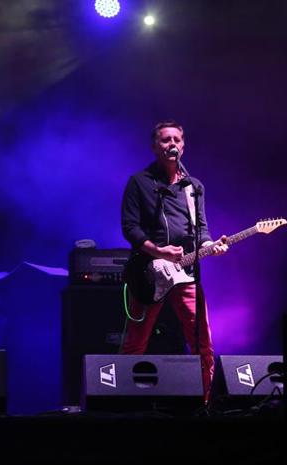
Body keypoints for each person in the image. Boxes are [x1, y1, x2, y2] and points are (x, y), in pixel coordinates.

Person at [120, 120, 227, 401]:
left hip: (185, 273)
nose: (172, 144)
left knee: (202, 341)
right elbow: (130, 228)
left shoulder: (194, 186)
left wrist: (209, 245)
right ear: (154, 146)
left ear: (183, 145)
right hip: (148, 272)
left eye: (176, 140)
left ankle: (205, 402)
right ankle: (123, 402)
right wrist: (159, 252)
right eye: (166, 140)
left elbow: (201, 228)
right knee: (136, 342)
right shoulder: (140, 182)